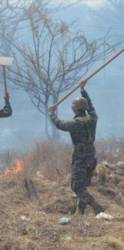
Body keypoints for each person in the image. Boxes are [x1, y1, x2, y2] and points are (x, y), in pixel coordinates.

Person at [48, 80, 104, 215]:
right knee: (83, 185)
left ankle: (96, 206)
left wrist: (51, 113)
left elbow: (58, 124)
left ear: (75, 109)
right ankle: (80, 212)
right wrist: (83, 90)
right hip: (91, 157)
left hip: (80, 159)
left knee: (77, 187)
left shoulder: (74, 124)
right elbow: (91, 106)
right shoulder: (93, 119)